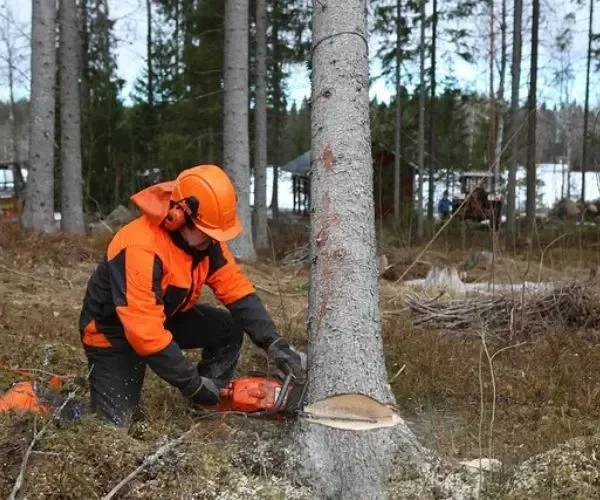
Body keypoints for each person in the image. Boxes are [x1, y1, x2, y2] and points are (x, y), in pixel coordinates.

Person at [78, 164, 304, 427]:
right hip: (112, 333)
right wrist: (193, 385)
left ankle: (206, 408)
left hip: (162, 316)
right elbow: (145, 334)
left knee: (228, 328)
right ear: (179, 216)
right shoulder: (141, 247)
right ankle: (35, 400)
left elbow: (236, 290)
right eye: (207, 233)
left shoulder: (206, 244)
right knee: (113, 426)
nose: (213, 240)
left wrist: (274, 343)